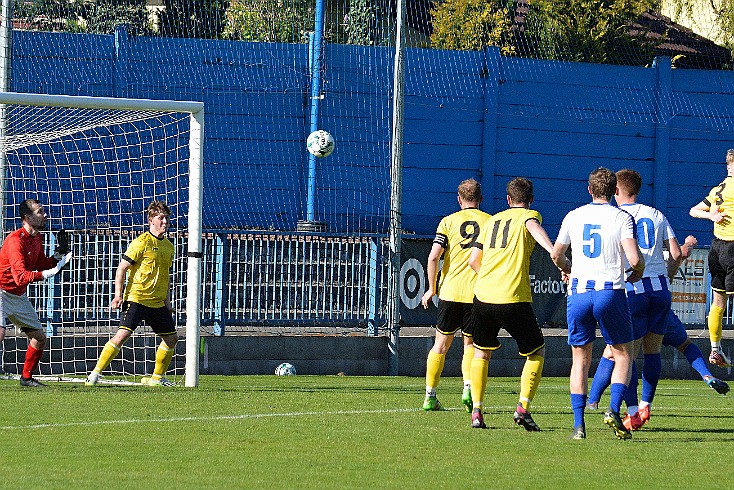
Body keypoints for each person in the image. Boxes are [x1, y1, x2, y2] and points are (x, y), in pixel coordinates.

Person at [587, 235, 729, 427]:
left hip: (633, 300)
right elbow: (680, 253)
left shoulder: (621, 247)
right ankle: (706, 376)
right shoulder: (657, 247)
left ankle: (611, 405)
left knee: (621, 355)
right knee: (683, 345)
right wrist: (689, 243)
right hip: (659, 301)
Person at [467, 177, 570, 431]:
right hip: (513, 297)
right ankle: (523, 408)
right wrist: (558, 257)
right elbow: (538, 232)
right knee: (537, 352)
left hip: (482, 296)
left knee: (481, 352)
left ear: (508, 200)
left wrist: (491, 278)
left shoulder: (491, 221)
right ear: (530, 199)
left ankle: (477, 412)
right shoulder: (529, 216)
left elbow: (473, 261)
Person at [551, 167, 644, 440]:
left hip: (579, 292)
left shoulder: (574, 215)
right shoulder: (621, 217)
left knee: (579, 360)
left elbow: (557, 254)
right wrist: (636, 272)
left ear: (589, 189)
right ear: (615, 190)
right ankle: (613, 410)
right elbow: (635, 260)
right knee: (623, 353)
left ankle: (579, 427)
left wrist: (567, 267)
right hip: (609, 292)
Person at [86, 201, 178, 387]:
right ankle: (94, 375)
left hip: (157, 303)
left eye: (167, 217)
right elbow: (121, 269)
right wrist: (118, 295)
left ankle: (157, 378)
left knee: (171, 338)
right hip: (136, 298)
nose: (165, 221)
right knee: (122, 335)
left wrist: (167, 302)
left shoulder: (169, 246)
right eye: (161, 217)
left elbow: (165, 277)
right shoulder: (141, 242)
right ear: (151, 220)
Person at [420, 178, 491, 412]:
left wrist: (431, 289)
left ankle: (430, 396)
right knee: (469, 343)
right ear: (480, 199)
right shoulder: (490, 222)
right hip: (476, 293)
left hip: (450, 292)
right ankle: (468, 388)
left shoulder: (448, 222)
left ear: (459, 199)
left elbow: (433, 257)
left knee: (440, 344)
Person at [0, 199, 72, 387]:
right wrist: (49, 273)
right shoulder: (15, 240)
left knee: (39, 337)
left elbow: (40, 265)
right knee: (0, 333)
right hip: (0, 292)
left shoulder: (36, 238)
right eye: (40, 212)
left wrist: (57, 256)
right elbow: (21, 277)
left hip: (17, 295)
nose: (45, 215)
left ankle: (26, 378)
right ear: (28, 217)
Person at [689, 148, 734, 368]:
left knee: (718, 303)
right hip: (733, 248)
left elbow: (693, 211)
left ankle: (715, 349)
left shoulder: (718, 189)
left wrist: (711, 216)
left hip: (716, 249)